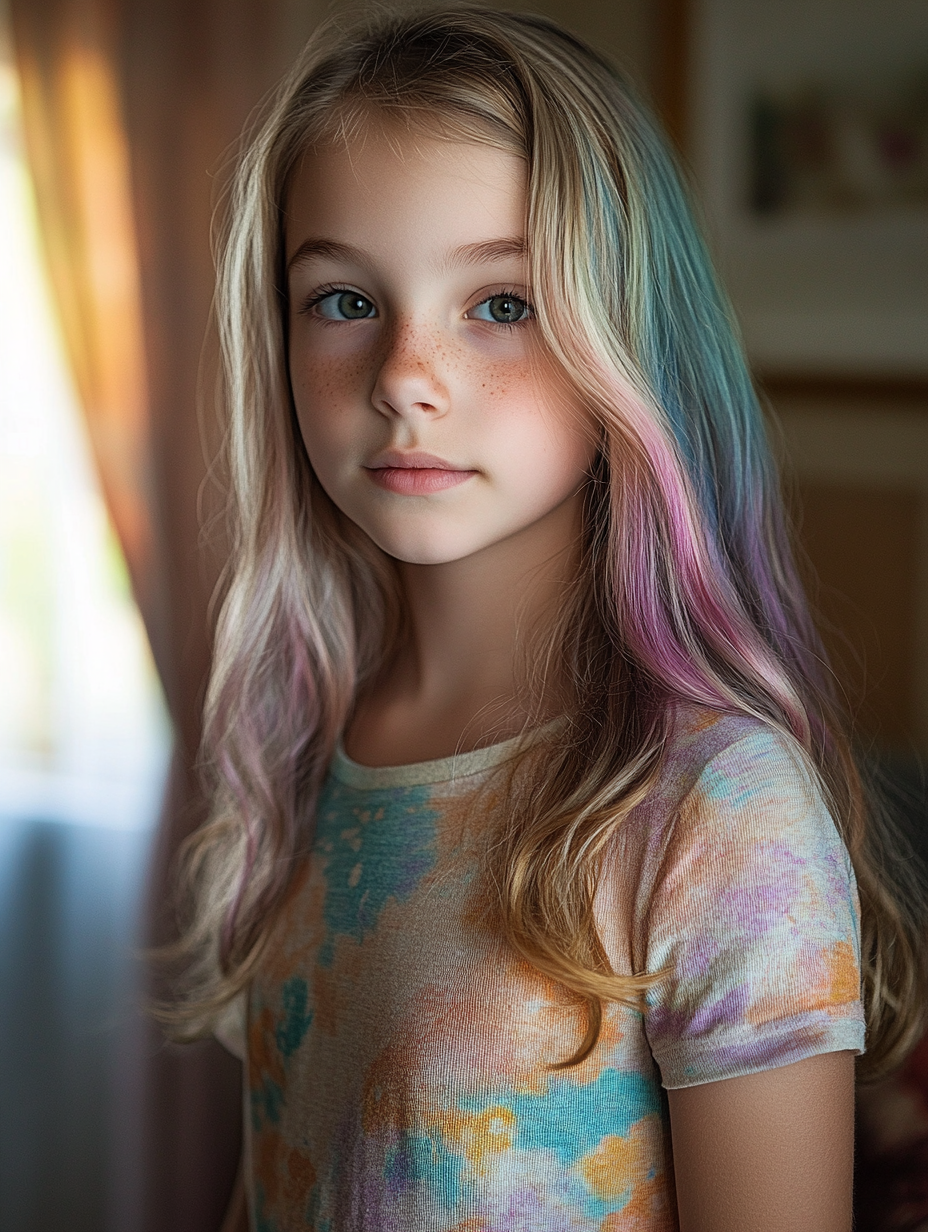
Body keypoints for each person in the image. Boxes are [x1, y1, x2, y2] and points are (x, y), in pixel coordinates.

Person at [166, 8, 927, 1230]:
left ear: (621, 335)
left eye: (503, 303)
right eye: (344, 299)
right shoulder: (314, 738)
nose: (406, 372)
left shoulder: (716, 805)